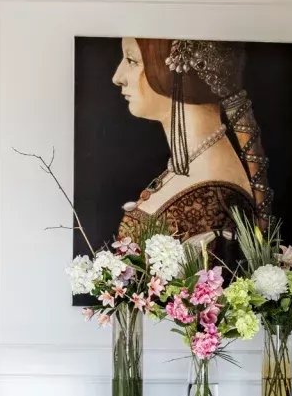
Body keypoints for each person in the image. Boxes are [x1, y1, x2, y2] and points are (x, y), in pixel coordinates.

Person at [109, 37, 275, 248]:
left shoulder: (212, 197)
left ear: (173, 70)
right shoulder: (192, 166)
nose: (117, 78)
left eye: (132, 60)